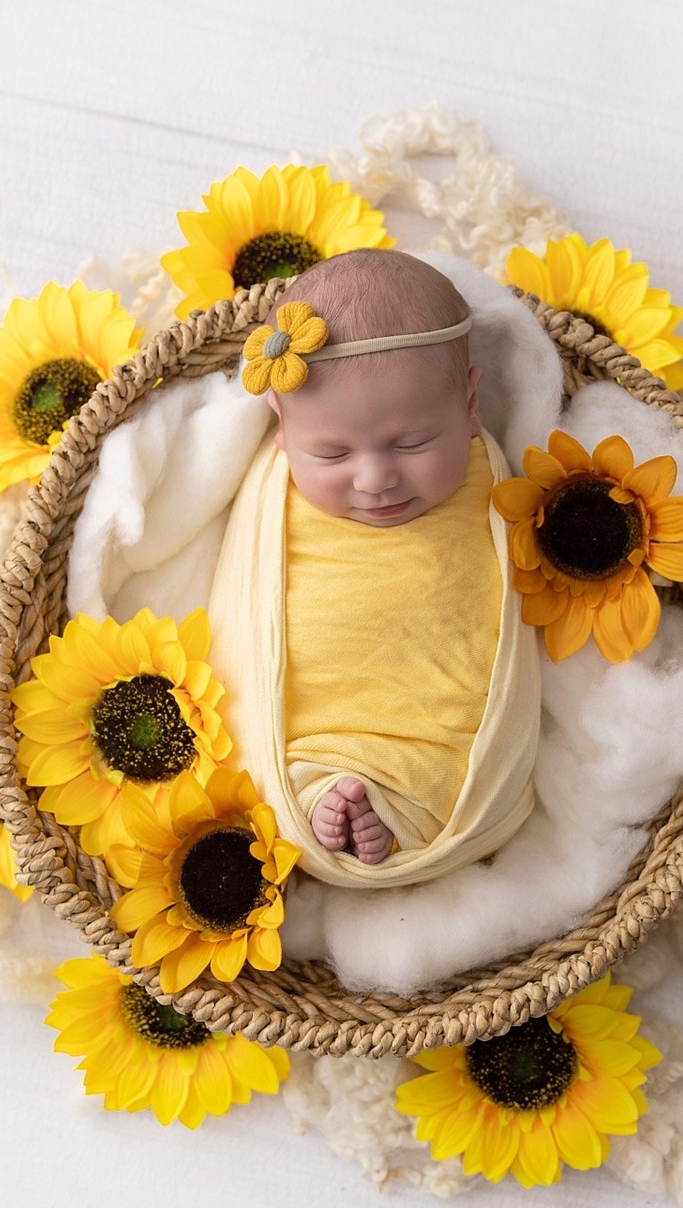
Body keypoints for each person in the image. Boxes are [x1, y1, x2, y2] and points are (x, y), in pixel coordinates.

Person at [206, 249, 541, 887]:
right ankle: (314, 793)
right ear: (281, 425)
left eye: (413, 442)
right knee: (283, 748)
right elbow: (245, 620)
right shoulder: (274, 491)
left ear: (471, 406)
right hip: (312, 718)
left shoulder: (490, 483)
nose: (375, 479)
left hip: (434, 718)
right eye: (330, 452)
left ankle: (405, 808)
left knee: (449, 735)